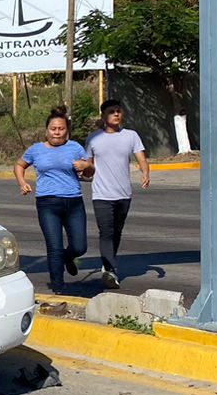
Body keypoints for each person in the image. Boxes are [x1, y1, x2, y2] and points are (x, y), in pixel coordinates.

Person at [15, 110, 93, 294]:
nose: (56, 132)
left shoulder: (75, 148)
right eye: (53, 129)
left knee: (80, 246)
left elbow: (90, 173)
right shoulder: (36, 150)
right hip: (47, 203)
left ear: (67, 131)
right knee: (54, 247)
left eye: (61, 129)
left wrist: (87, 166)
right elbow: (19, 165)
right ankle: (58, 287)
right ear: (46, 131)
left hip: (73, 201)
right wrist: (22, 182)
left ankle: (69, 257)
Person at [84, 100, 150, 289]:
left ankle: (107, 264)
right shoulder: (93, 138)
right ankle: (110, 269)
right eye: (112, 112)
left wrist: (145, 173)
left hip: (123, 194)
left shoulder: (131, 136)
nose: (116, 114)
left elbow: (141, 158)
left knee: (116, 232)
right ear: (103, 115)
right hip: (101, 194)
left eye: (118, 111)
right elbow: (88, 165)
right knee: (106, 232)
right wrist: (83, 170)